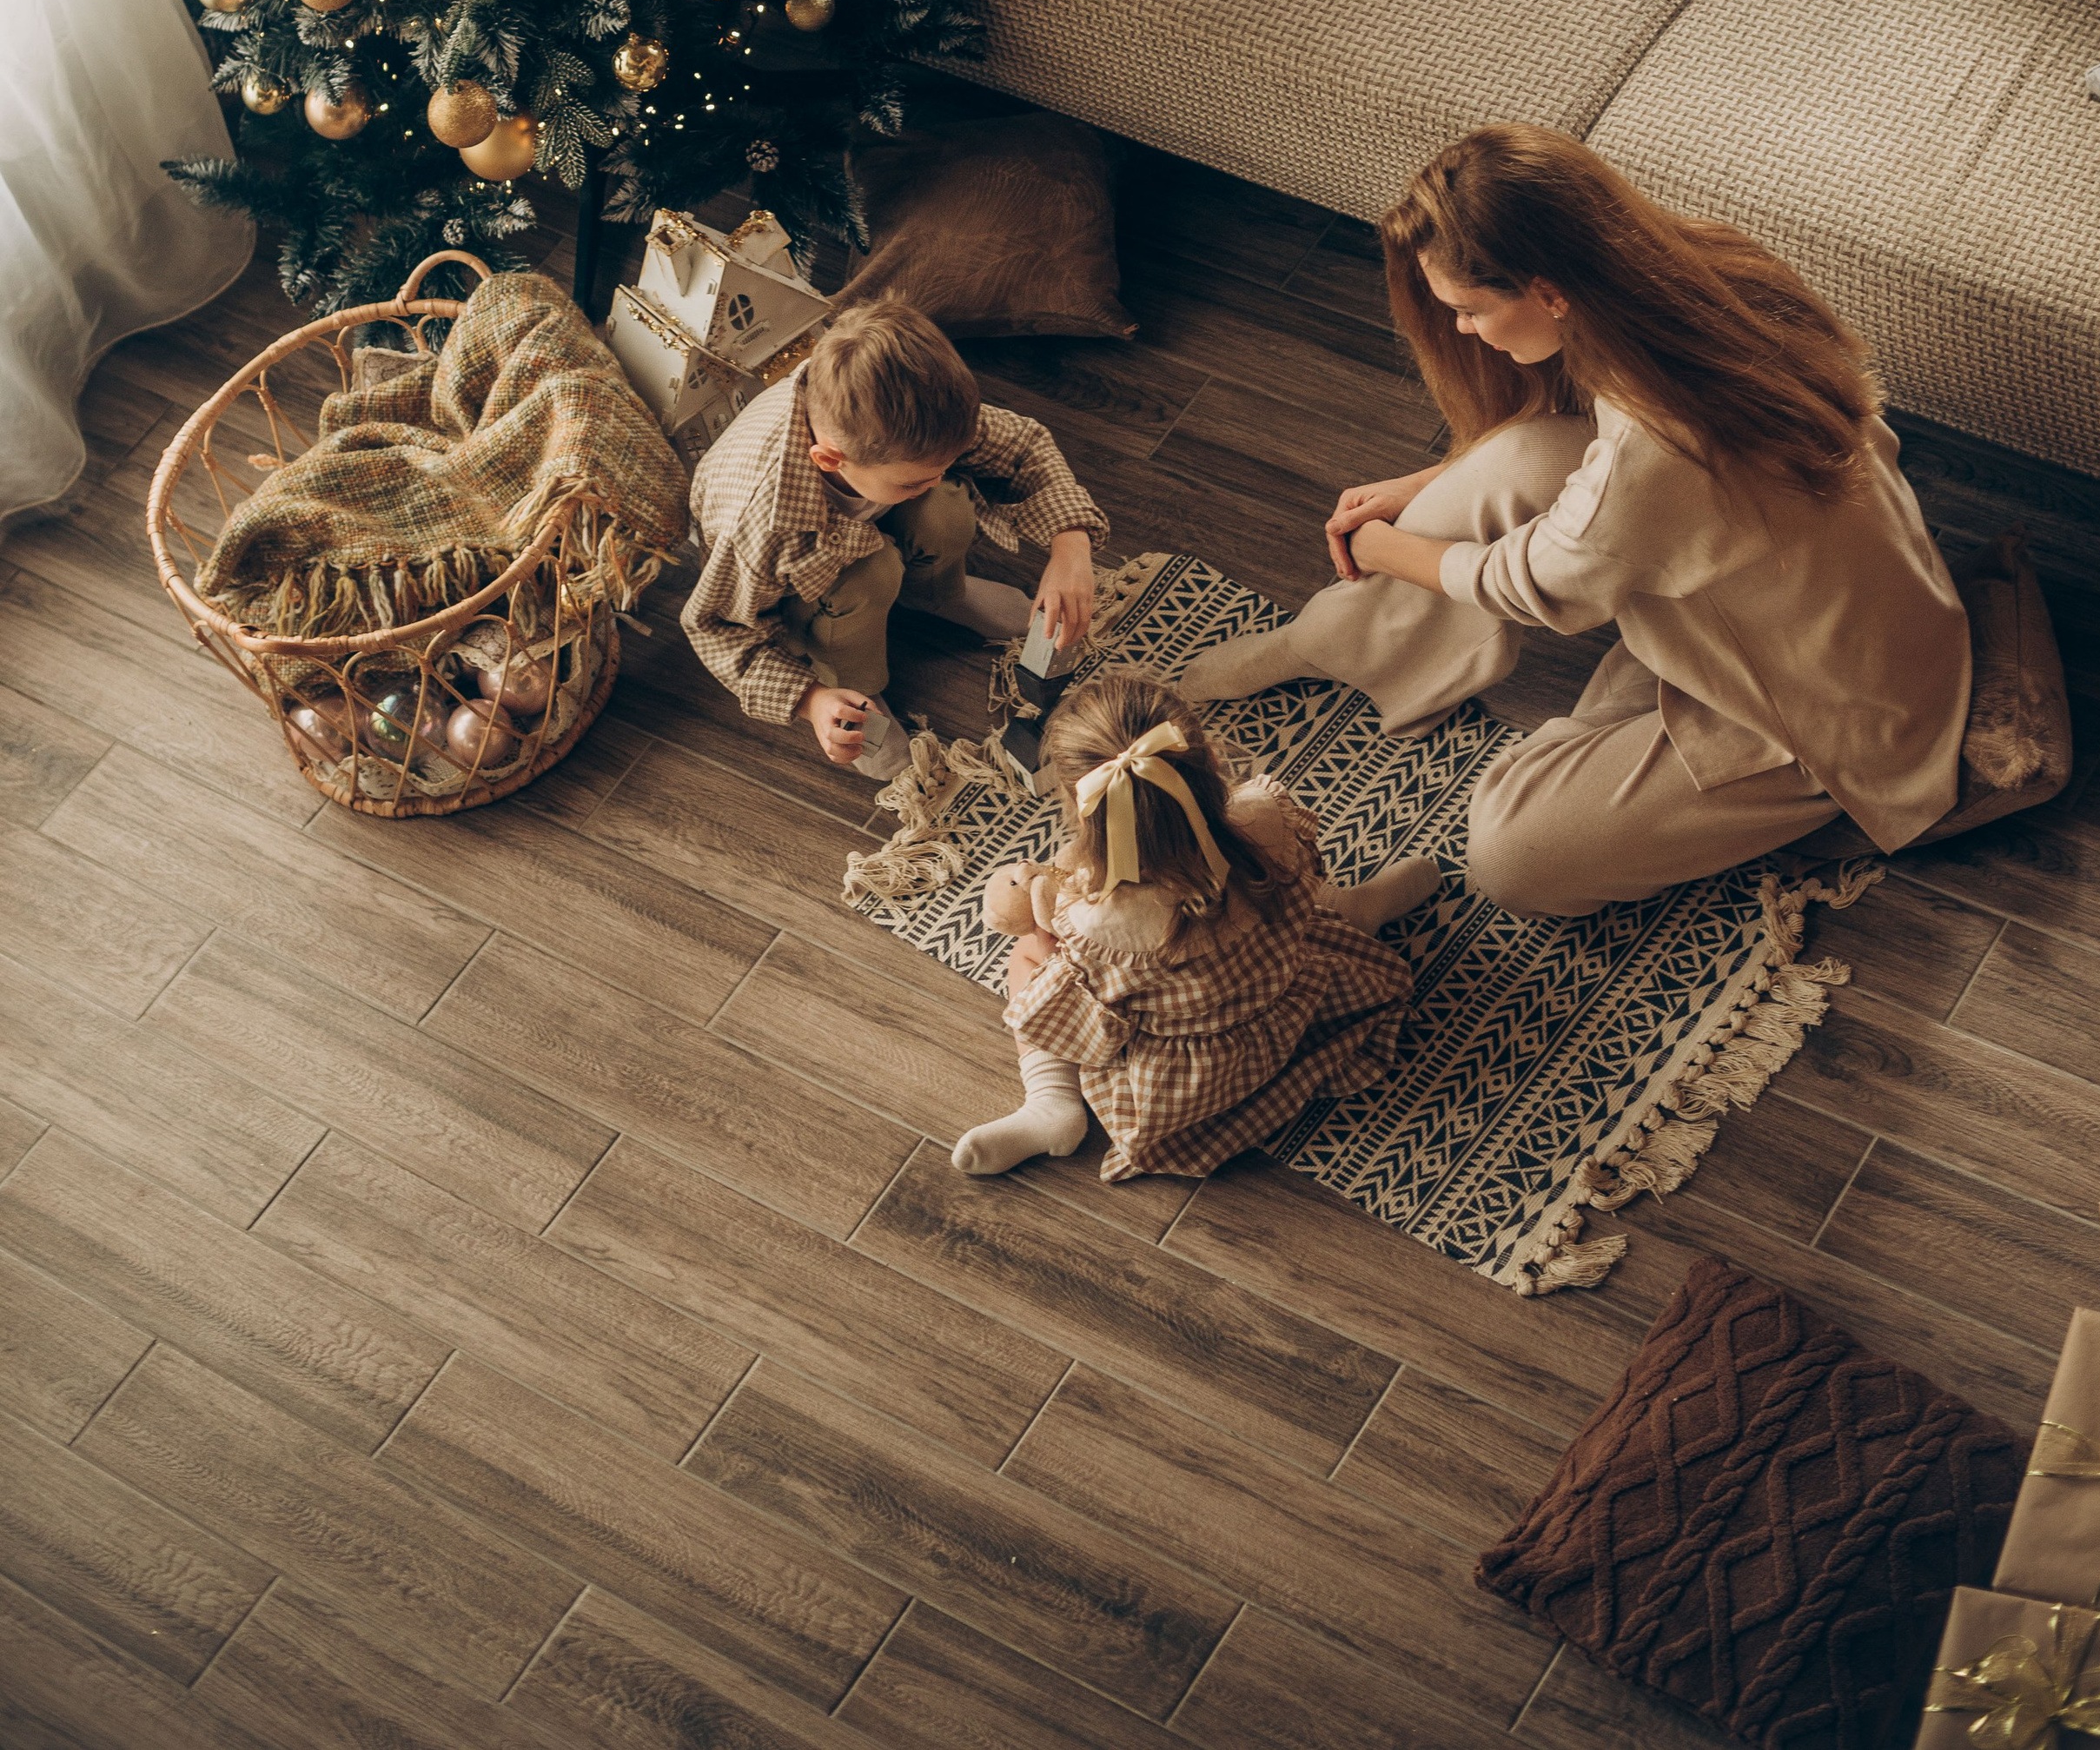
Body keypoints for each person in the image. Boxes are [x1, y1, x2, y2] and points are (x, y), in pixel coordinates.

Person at [1178, 126, 1973, 914]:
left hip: (1829, 707)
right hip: (1829, 596)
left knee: (1511, 857)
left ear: (1549, 292)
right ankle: (1326, 641)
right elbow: (1603, 474)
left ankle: (1625, 731)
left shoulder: (1655, 449)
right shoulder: (1712, 265)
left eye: (1469, 308)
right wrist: (1426, 485)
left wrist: (1384, 547)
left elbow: (1523, 581)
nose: (1460, 329)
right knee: (1505, 467)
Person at [951, 662, 1439, 1180]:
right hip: (1296, 1005)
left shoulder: (1093, 922)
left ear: (1079, 803)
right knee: (1290, 900)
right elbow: (1303, 877)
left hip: (1194, 1078)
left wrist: (1045, 903)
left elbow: (1085, 1025)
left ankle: (1051, 1104)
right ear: (1207, 759)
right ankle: (1358, 913)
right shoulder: (1265, 816)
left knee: (1028, 950)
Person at [684, 298, 1105, 781]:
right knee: (872, 574)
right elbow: (716, 628)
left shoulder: (905, 416)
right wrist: (811, 701)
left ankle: (942, 593)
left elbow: (1022, 446)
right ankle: (854, 682)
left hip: (860, 514)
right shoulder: (757, 526)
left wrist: (1071, 545)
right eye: (912, 481)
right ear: (829, 459)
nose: (937, 478)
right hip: (797, 583)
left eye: (946, 465)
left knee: (946, 507)